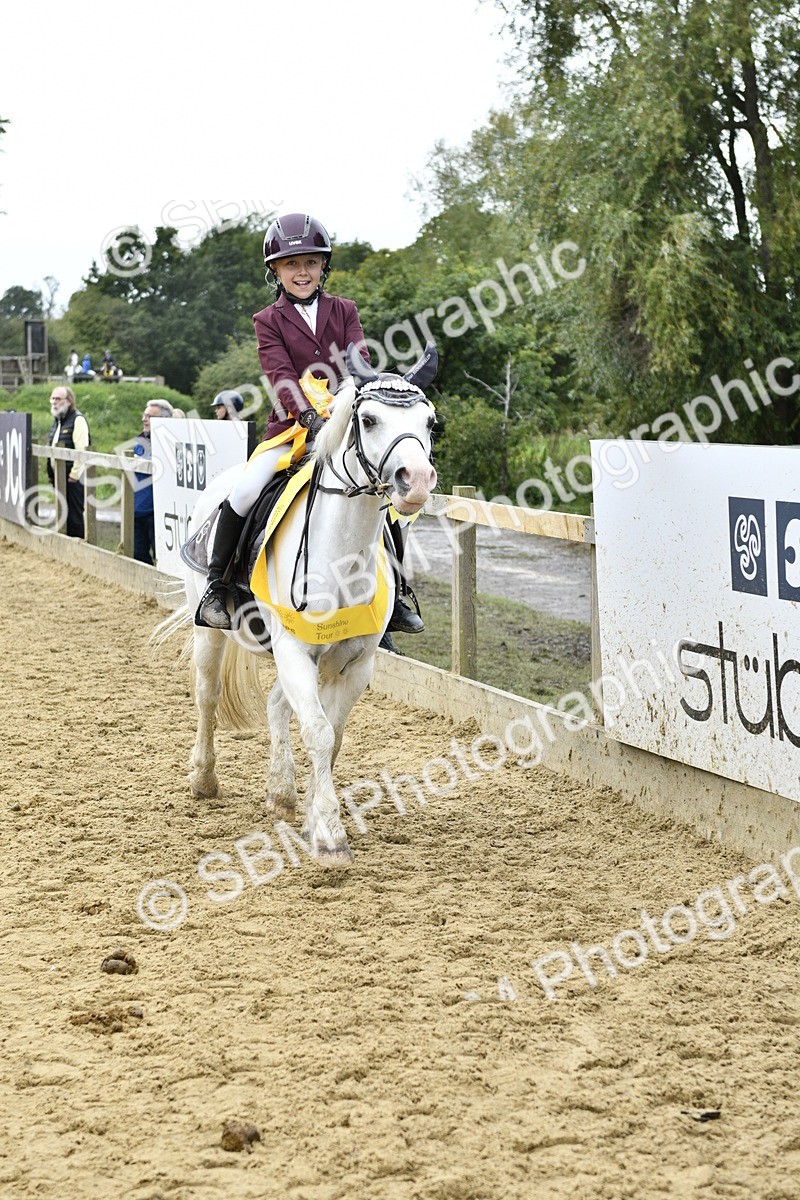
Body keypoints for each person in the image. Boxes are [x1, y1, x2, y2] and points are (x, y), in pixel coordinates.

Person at [196, 211, 425, 637]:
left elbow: (360, 363)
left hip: (344, 423)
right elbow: (280, 374)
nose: (302, 272)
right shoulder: (268, 320)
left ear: (323, 266)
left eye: (310, 263)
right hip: (290, 428)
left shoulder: (345, 310)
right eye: (291, 264)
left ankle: (396, 596)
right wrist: (307, 416)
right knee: (246, 490)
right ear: (276, 271)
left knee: (390, 503)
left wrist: (341, 413)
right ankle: (217, 584)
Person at [131, 399, 174, 564]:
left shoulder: (171, 443)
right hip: (137, 509)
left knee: (163, 559)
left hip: (158, 512)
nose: (144, 419)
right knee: (138, 555)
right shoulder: (139, 441)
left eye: (150, 416)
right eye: (144, 415)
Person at [47, 386, 90, 538]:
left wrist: (74, 475)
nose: (54, 402)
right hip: (60, 478)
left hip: (72, 479)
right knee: (62, 515)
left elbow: (82, 450)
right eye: (53, 398)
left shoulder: (78, 420)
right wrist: (51, 473)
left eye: (58, 399)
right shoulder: (58, 420)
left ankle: (79, 550)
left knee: (75, 518)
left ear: (69, 401)